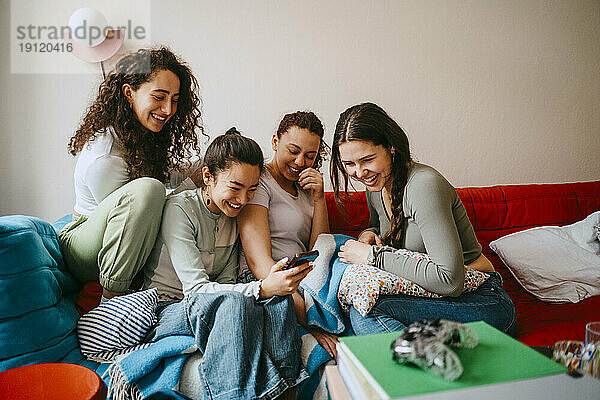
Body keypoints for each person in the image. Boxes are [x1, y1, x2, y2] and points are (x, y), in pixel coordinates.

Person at [144, 129, 309, 399]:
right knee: (239, 301)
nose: (243, 200)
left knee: (278, 301)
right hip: (168, 307)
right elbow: (196, 290)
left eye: (252, 189)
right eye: (235, 187)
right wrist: (263, 288)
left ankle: (286, 391)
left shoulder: (233, 214)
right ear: (208, 177)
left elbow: (228, 283)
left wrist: (271, 291)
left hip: (212, 305)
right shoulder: (180, 209)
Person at [330, 102, 516, 335]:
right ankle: (422, 358)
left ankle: (410, 363)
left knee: (367, 308)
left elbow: (450, 280)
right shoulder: (376, 185)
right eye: (349, 164)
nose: (359, 172)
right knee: (360, 304)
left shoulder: (423, 186)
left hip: (481, 300)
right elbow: (379, 226)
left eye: (367, 160)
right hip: (425, 295)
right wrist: (369, 235)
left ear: (391, 147)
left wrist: (372, 256)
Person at [59, 47, 205, 302]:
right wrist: (192, 183)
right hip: (85, 249)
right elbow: (140, 215)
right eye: (159, 97)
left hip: (118, 239)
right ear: (129, 92)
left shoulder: (137, 133)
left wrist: (206, 166)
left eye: (174, 99)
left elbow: (167, 175)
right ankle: (110, 301)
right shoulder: (105, 155)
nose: (168, 109)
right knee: (151, 190)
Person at [237, 111, 339, 357]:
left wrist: (319, 198)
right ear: (275, 142)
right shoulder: (259, 182)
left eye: (310, 156)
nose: (300, 162)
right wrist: (310, 321)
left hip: (303, 280)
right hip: (269, 280)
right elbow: (257, 262)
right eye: (293, 151)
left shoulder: (305, 188)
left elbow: (320, 250)